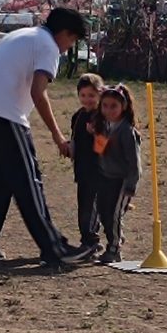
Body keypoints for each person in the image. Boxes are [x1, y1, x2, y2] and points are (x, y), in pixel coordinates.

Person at [0, 7, 93, 266]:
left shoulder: (20, 35)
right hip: (5, 117)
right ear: (65, 33)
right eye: (72, 40)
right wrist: (58, 137)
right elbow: (38, 92)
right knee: (29, 183)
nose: (69, 48)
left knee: (0, 182)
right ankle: (55, 249)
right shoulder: (47, 46)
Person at [94, 83, 142, 264]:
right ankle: (117, 238)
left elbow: (134, 163)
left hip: (122, 181)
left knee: (114, 215)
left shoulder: (127, 132)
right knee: (103, 212)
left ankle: (114, 250)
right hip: (106, 178)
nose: (108, 110)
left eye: (113, 106)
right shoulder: (103, 125)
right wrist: (97, 135)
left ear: (124, 107)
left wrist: (131, 185)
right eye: (105, 105)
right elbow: (100, 151)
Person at [70, 73, 105, 257]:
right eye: (83, 95)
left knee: (91, 206)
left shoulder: (102, 117)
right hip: (82, 169)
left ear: (100, 94)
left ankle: (90, 241)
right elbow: (75, 138)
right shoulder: (78, 116)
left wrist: (95, 134)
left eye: (91, 95)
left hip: (96, 169)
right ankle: (88, 239)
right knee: (83, 204)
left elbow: (104, 146)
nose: (87, 99)